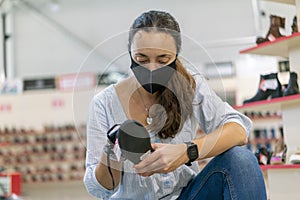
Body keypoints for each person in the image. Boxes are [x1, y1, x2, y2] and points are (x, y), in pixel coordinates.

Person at [84, 10, 267, 200]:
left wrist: (186, 152)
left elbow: (238, 129)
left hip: (187, 195)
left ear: (176, 56)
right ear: (130, 53)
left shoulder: (191, 86)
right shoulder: (103, 104)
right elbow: (99, 189)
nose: (152, 68)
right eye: (142, 59)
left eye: (163, 60)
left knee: (241, 160)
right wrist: (111, 151)